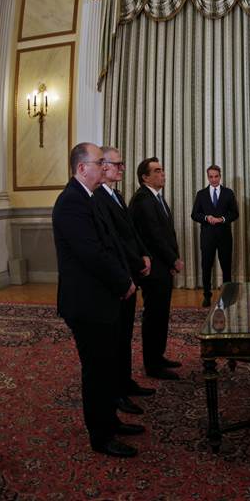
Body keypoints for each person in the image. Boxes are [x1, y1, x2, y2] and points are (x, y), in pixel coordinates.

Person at [52, 142, 143, 458]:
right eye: (99, 162)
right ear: (81, 168)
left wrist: (126, 278)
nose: (105, 166)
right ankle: (101, 436)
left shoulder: (89, 198)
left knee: (107, 367)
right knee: (96, 371)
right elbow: (91, 253)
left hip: (103, 299)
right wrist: (123, 281)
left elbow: (111, 245)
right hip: (87, 304)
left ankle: (111, 421)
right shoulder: (70, 202)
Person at [93, 147, 156, 415]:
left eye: (122, 164)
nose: (122, 168)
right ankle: (116, 391)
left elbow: (131, 232)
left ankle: (126, 381)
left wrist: (143, 254)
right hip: (118, 277)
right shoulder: (97, 197)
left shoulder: (116, 195)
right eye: (117, 164)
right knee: (115, 339)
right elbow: (114, 241)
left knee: (126, 334)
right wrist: (137, 262)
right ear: (104, 166)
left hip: (130, 272)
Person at [129, 157, 184, 380]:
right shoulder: (142, 199)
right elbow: (154, 236)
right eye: (157, 171)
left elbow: (168, 233)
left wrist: (173, 259)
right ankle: (152, 365)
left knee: (161, 315)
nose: (163, 174)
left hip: (163, 265)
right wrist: (173, 260)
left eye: (162, 170)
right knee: (154, 316)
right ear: (145, 177)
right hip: (153, 268)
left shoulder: (156, 197)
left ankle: (158, 357)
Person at [191, 164, 239, 307]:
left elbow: (235, 213)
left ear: (220, 176)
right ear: (208, 177)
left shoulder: (228, 193)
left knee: (226, 267)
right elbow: (194, 214)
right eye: (211, 177)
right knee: (206, 266)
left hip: (224, 236)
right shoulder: (201, 194)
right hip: (207, 237)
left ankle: (227, 295)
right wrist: (207, 218)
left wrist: (222, 219)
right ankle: (207, 295)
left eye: (216, 176)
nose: (213, 179)